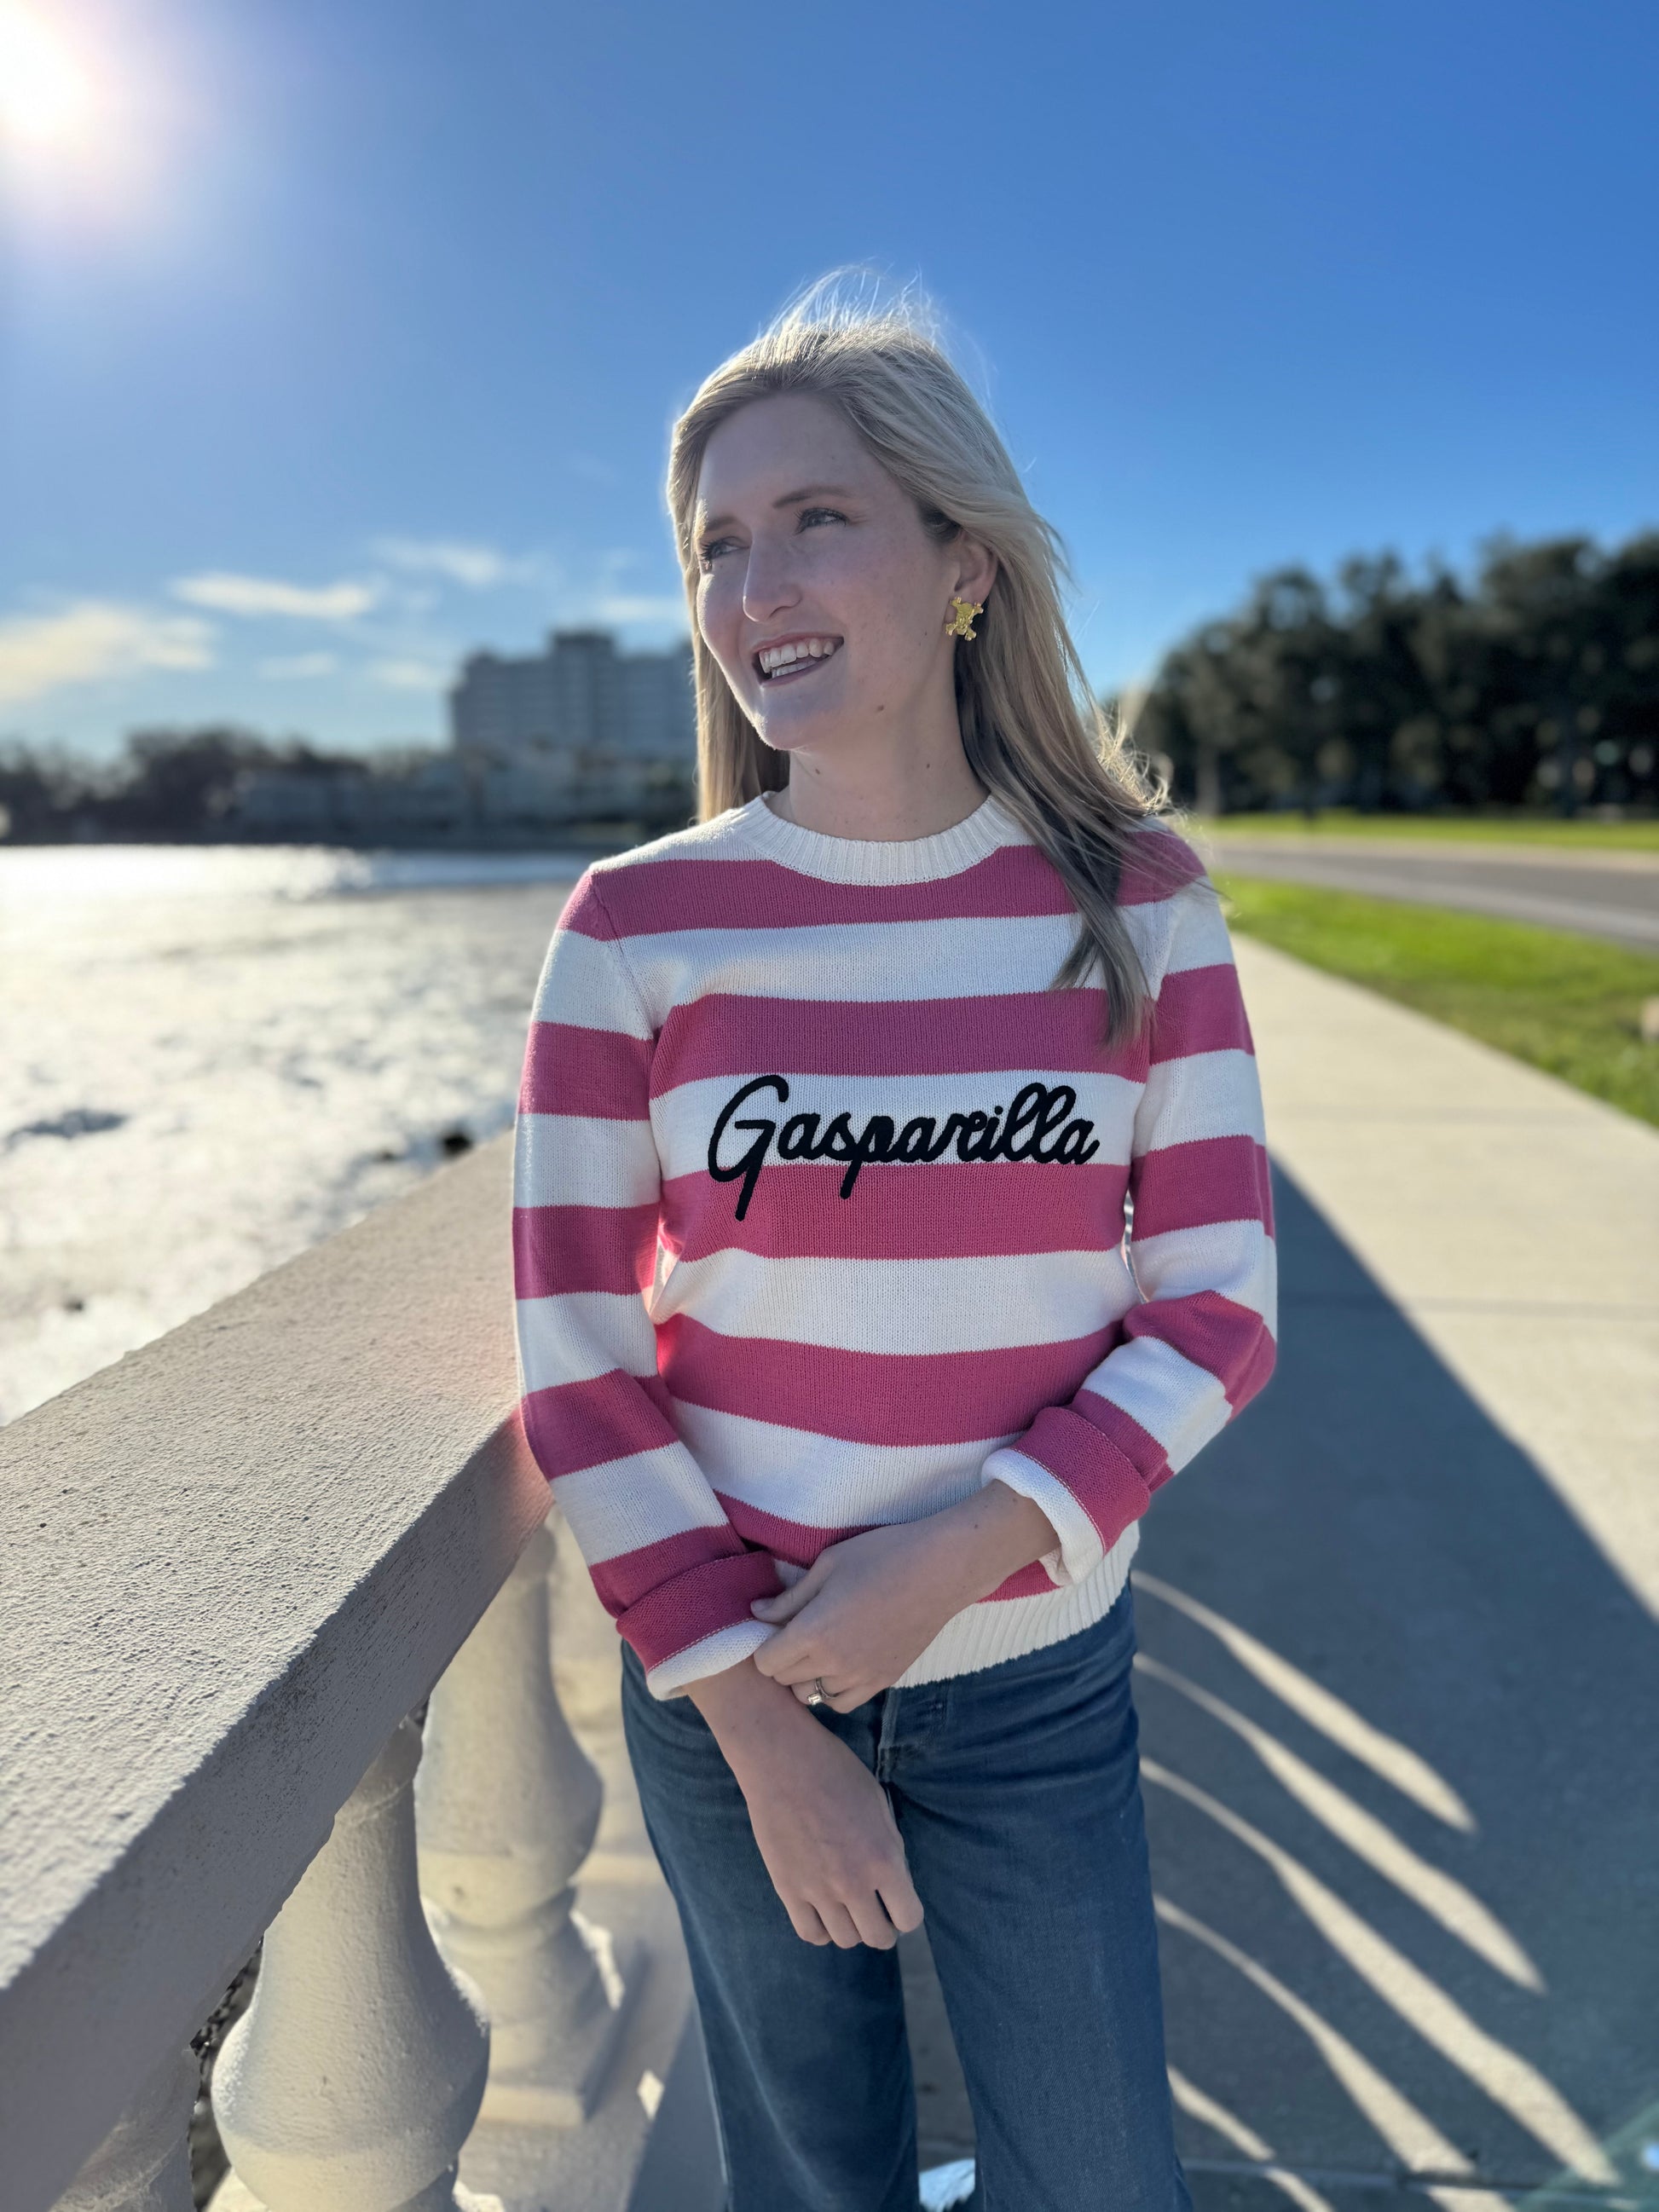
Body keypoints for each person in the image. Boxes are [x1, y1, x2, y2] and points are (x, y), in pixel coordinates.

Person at [511, 280, 1276, 2212]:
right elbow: (577, 1361)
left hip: (1031, 1672)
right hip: (733, 1686)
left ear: (962, 563)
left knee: (1099, 2179)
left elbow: (1218, 1305)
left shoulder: (1135, 902)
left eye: (815, 518)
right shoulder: (632, 928)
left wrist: (953, 1556)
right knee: (814, 2182)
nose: (755, 584)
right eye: (717, 544)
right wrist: (758, 1723)